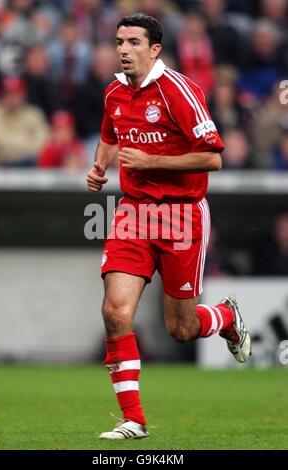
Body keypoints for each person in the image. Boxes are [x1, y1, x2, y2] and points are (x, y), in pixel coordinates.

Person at [86, 13, 252, 440]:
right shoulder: (114, 92)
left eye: (134, 42)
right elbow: (110, 133)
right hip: (133, 213)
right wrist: (100, 165)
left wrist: (152, 161)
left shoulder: (180, 91)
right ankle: (134, 420)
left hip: (183, 215)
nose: (123, 49)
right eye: (119, 41)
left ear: (154, 49)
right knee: (114, 311)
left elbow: (214, 156)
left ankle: (225, 317)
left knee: (180, 329)